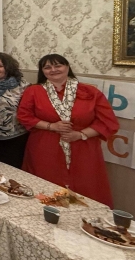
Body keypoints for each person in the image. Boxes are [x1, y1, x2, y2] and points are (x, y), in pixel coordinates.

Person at [17, 54, 119, 207]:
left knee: (86, 187)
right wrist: (51, 126)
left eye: (58, 65)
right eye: (47, 67)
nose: (53, 70)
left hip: (83, 147)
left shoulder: (90, 91)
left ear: (67, 67)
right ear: (42, 71)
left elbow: (107, 121)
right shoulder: (34, 91)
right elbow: (24, 116)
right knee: (44, 188)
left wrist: (80, 134)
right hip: (45, 147)